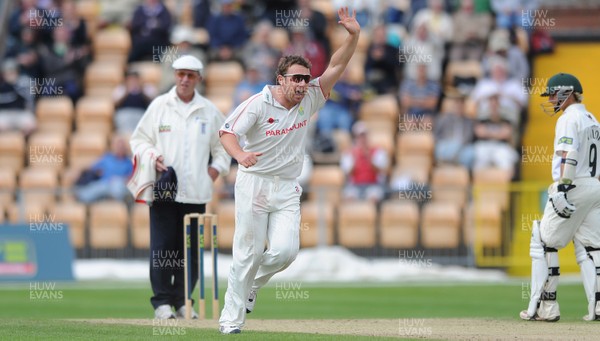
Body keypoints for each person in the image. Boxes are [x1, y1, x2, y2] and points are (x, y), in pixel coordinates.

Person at [217, 7, 360, 334]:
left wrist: (354, 36)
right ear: (280, 79)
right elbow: (226, 133)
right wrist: (240, 156)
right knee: (247, 254)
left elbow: (337, 64)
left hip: (286, 187)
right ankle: (230, 320)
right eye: (295, 78)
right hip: (254, 182)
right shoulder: (258, 102)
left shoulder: (311, 98)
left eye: (305, 78)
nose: (301, 84)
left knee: (285, 252)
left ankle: (251, 285)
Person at [129, 55, 231, 319]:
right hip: (164, 190)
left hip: (197, 191)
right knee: (163, 248)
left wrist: (215, 170)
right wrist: (152, 156)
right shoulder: (159, 106)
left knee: (191, 252)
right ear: (175, 75)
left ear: (199, 78)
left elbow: (224, 147)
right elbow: (139, 140)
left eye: (191, 75)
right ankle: (162, 303)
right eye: (181, 74)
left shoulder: (209, 110)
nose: (185, 79)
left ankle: (184, 301)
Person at [520, 73, 600, 322]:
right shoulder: (592, 119)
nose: (552, 99)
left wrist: (563, 188)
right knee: (591, 247)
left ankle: (545, 306)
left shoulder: (569, 118)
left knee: (543, 241)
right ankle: (598, 306)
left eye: (554, 93)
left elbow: (569, 153)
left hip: (573, 184)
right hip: (593, 186)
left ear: (567, 92)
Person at [75, 135, 133, 203]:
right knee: (95, 187)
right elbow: (92, 168)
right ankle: (81, 199)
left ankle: (116, 203)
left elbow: (131, 177)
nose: (120, 149)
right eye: (118, 146)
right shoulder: (107, 158)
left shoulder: (128, 162)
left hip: (119, 183)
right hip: (105, 183)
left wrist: (121, 179)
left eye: (122, 147)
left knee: (117, 185)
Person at [341, 121, 389, 203]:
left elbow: (383, 171)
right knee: (349, 196)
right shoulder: (348, 154)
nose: (362, 139)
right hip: (355, 186)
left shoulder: (378, 152)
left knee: (373, 196)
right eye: (360, 136)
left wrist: (369, 158)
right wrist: (356, 159)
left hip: (374, 185)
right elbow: (348, 173)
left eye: (364, 136)